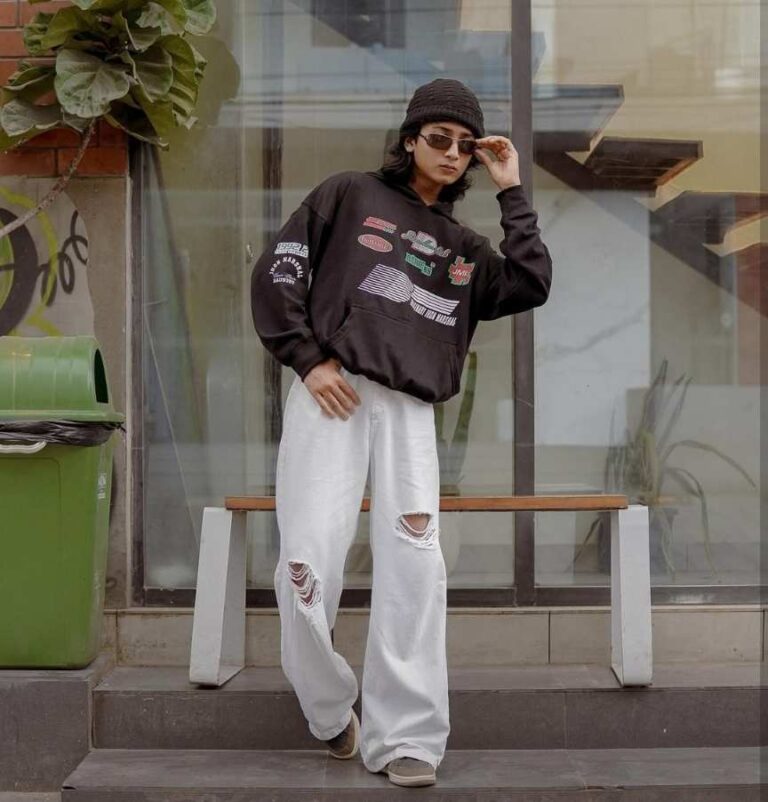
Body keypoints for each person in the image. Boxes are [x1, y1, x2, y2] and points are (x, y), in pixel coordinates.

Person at [250, 78, 552, 788]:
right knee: (305, 566)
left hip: (411, 411)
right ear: (411, 139)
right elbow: (276, 274)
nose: (451, 153)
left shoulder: (465, 249)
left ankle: (408, 737)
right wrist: (307, 358)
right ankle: (330, 713)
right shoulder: (347, 194)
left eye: (465, 146)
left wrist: (511, 187)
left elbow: (532, 282)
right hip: (332, 396)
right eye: (439, 138)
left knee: (416, 566)